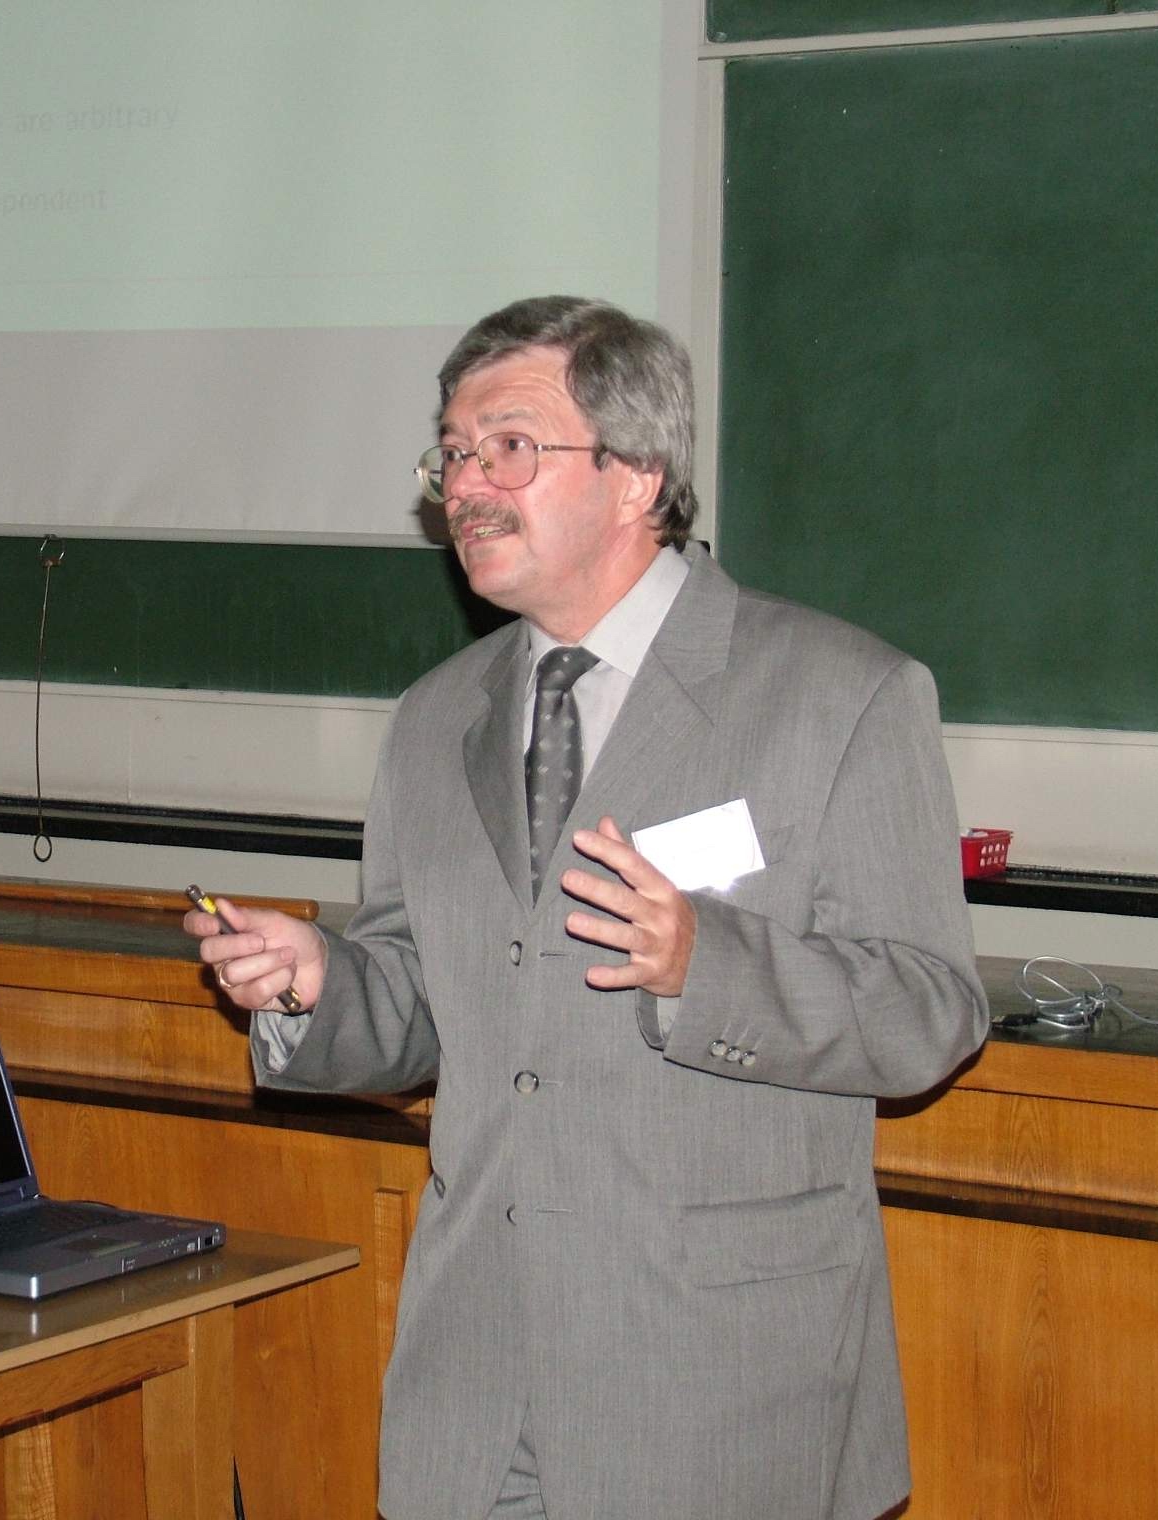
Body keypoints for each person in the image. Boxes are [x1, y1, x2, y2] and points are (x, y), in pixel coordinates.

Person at [186, 296, 986, 1520]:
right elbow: (429, 1003)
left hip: (718, 1388)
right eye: (452, 454)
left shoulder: (841, 695)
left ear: (636, 475)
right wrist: (320, 981)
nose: (465, 485)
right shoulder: (433, 720)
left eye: (508, 446)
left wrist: (706, 962)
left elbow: (929, 1011)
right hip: (475, 1383)